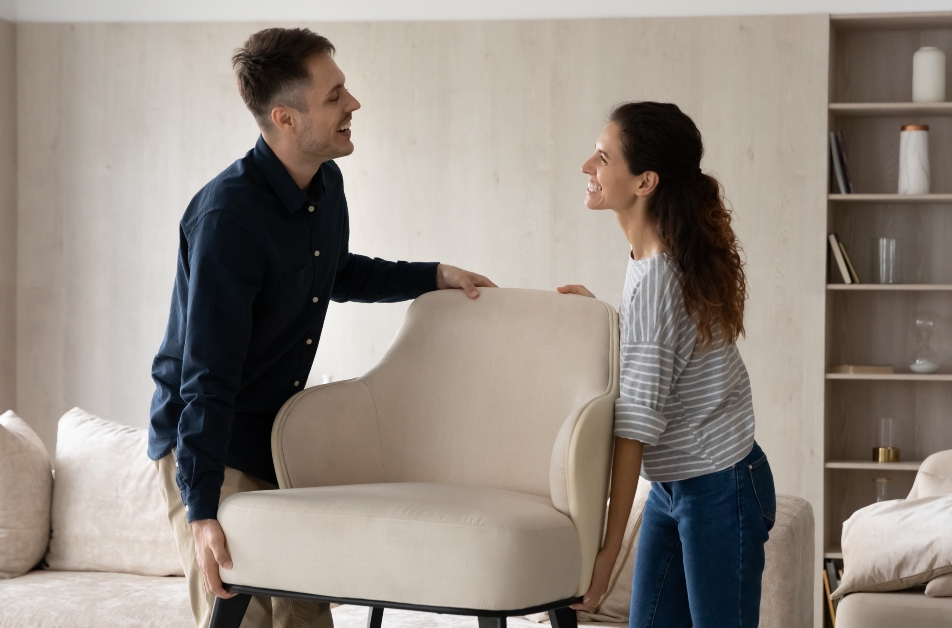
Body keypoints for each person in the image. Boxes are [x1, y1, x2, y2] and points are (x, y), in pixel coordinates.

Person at [147, 28, 495, 628]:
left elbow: (331, 272)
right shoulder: (227, 218)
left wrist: (433, 276)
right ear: (285, 118)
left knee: (307, 614)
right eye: (335, 95)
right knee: (242, 616)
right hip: (212, 440)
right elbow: (208, 376)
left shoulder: (324, 184)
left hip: (281, 436)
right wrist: (203, 510)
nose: (353, 104)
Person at [557, 102, 775, 627]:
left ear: (644, 181)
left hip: (720, 488)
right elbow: (658, 353)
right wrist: (607, 322)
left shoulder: (658, 276)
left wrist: (606, 556)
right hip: (677, 487)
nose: (588, 165)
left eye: (604, 156)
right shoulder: (653, 257)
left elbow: (633, 424)